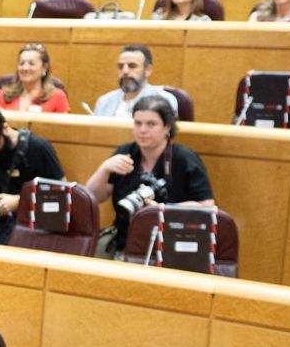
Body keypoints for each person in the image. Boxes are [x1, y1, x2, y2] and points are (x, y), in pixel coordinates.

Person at [83, 95, 215, 253]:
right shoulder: (126, 154)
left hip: (170, 244)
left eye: (151, 124)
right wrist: (104, 169)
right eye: (138, 123)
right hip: (125, 241)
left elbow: (207, 207)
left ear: (167, 127)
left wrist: (162, 210)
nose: (142, 130)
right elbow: (92, 198)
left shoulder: (184, 159)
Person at [0, 106, 63, 245]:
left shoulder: (39, 147)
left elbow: (61, 194)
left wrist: (19, 201)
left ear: (5, 128)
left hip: (27, 221)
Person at [93, 45, 177, 118]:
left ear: (148, 70)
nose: (125, 71)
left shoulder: (164, 101)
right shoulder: (104, 101)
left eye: (132, 66)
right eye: (120, 66)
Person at [0, 43, 68, 113]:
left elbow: (64, 126)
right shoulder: (3, 95)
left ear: (44, 68)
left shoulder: (58, 97)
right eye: (21, 63)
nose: (25, 68)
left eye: (31, 64)